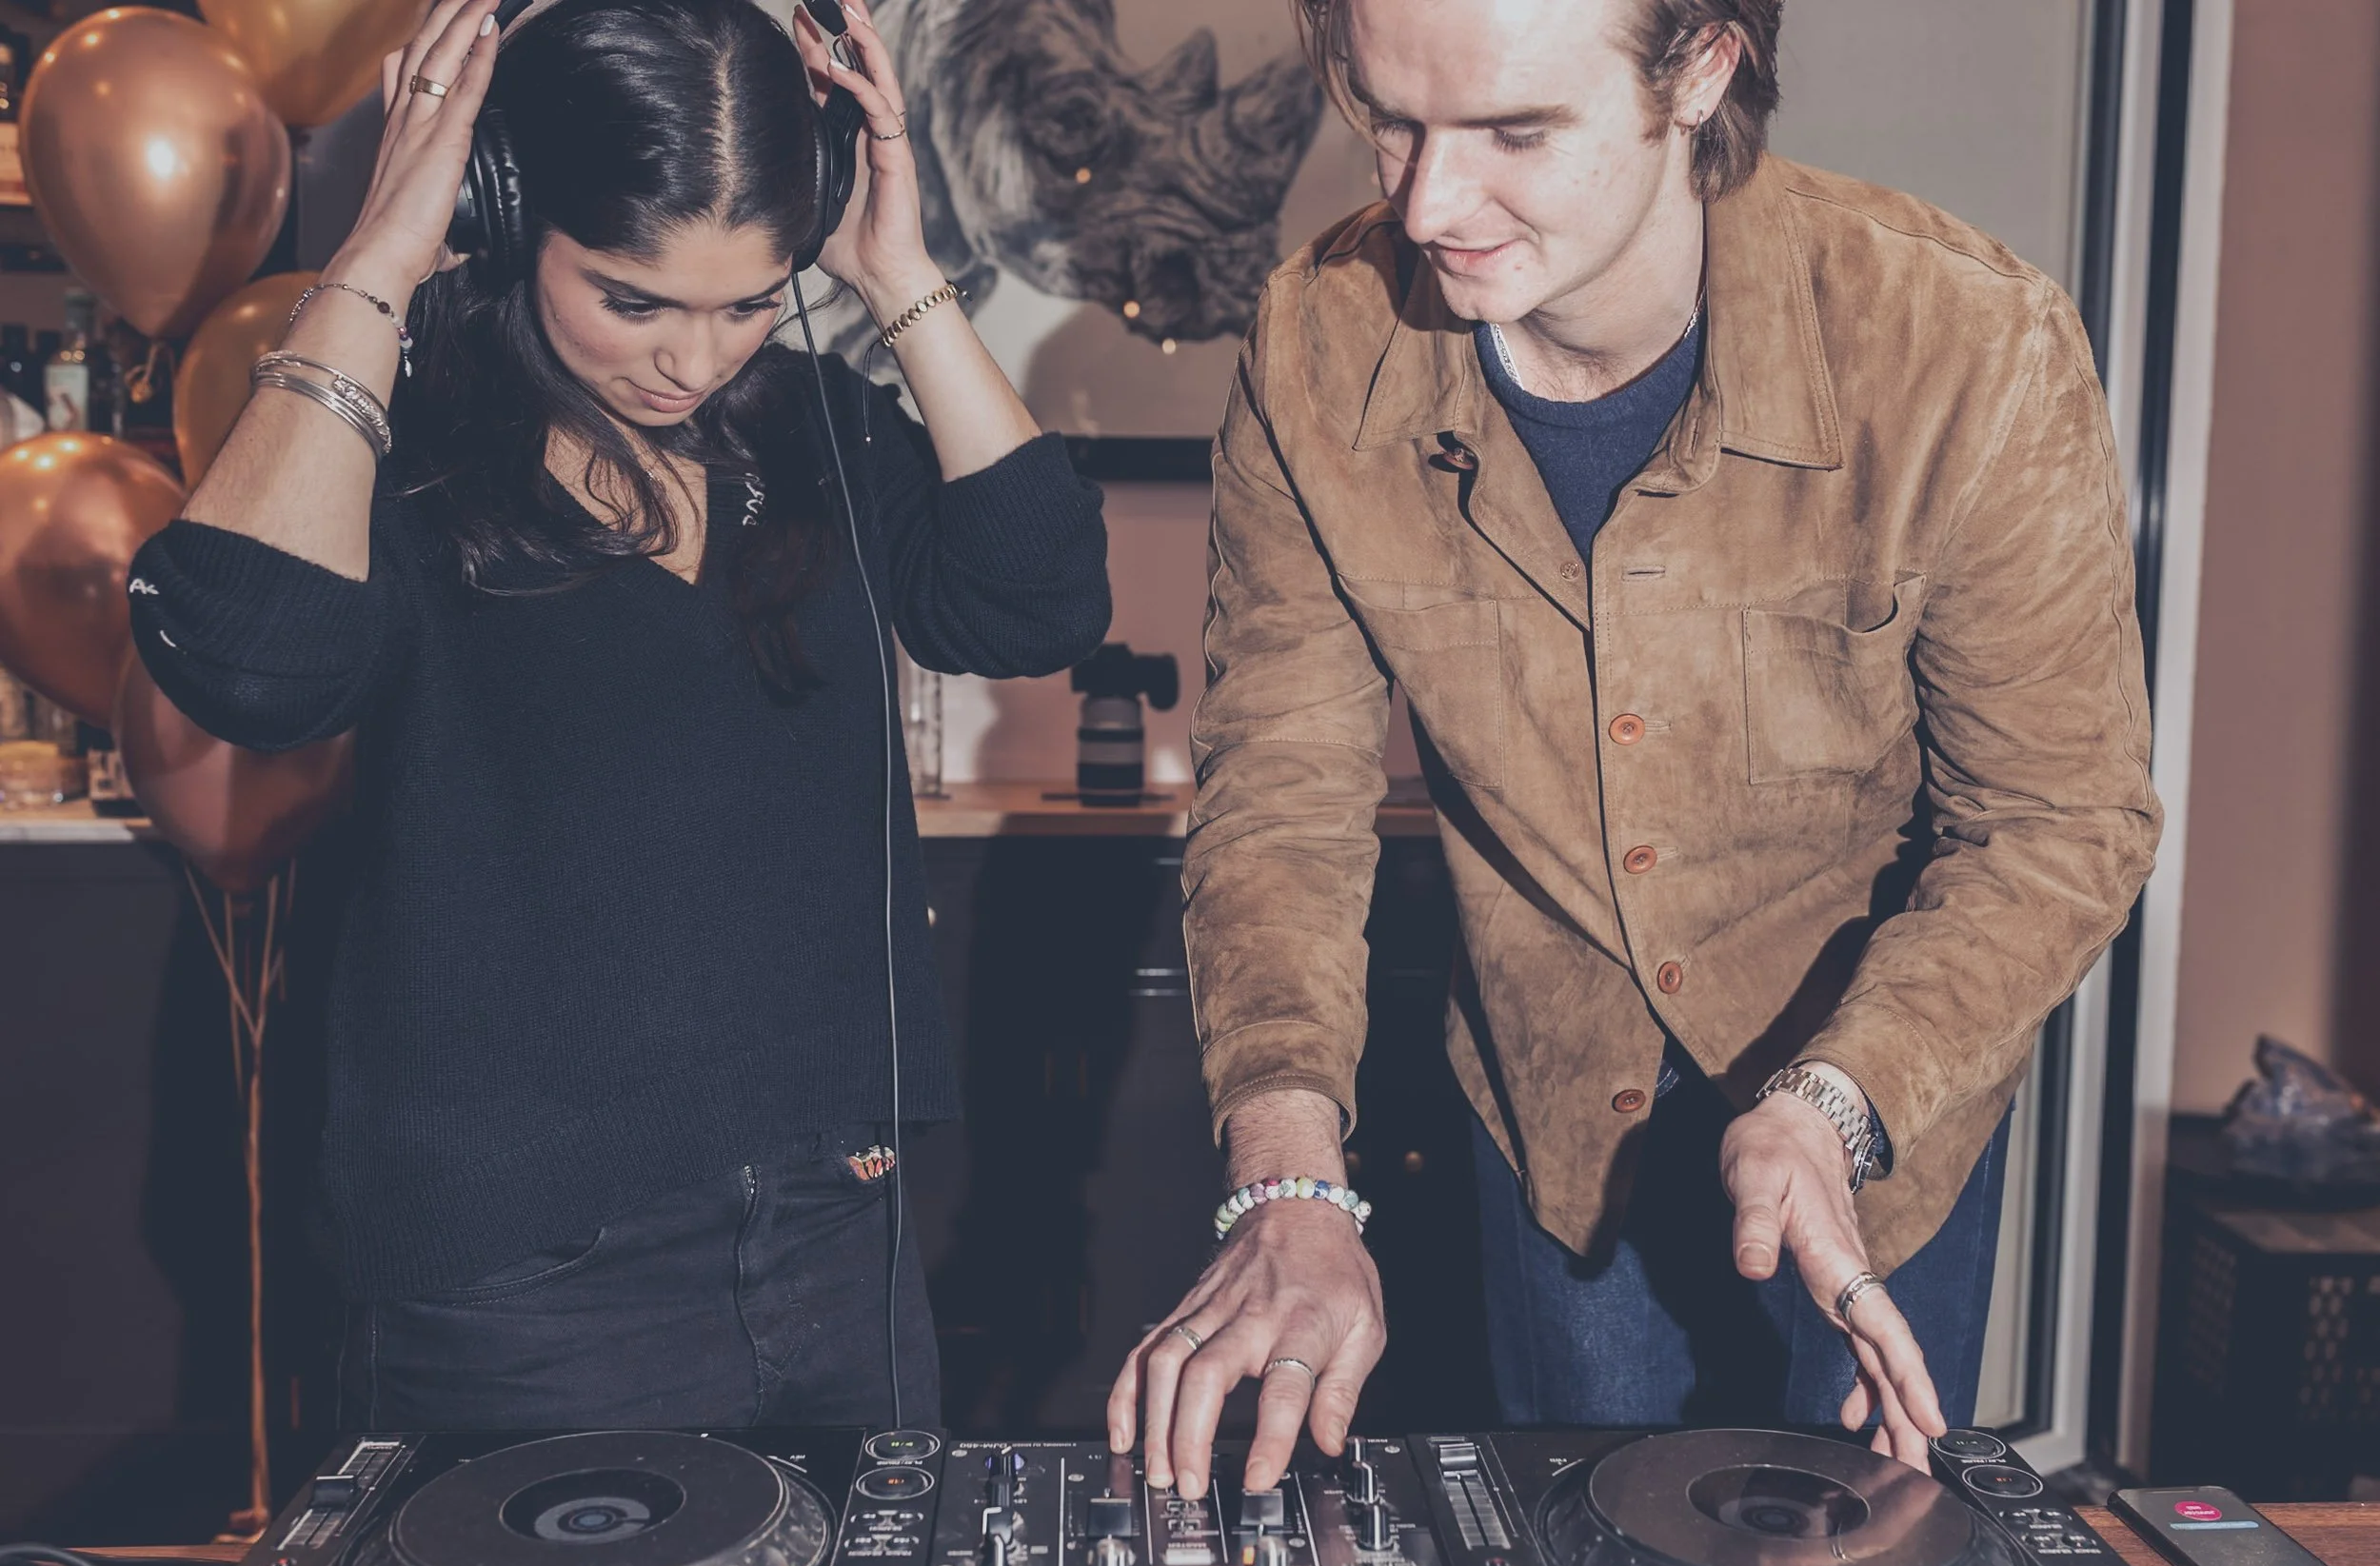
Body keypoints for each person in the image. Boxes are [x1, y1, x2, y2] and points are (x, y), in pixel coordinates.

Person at [1111, 0, 2159, 1490]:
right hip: (1552, 1121)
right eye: (1391, 121)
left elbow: (2060, 820)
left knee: (1849, 1546)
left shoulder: (1967, 350)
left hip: (1876, 1110)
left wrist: (1836, 1101)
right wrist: (1288, 1181)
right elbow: (1282, 799)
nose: (1429, 204)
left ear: (1702, 67)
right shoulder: (1313, 341)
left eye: (1514, 131)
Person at [125, 0, 1109, 1428]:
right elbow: (250, 666)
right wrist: (382, 254)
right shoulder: (403, 447)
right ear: (507, 209)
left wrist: (898, 275)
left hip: (834, 1247)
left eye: (748, 302)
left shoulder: (817, 431)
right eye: (633, 301)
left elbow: (1037, 603)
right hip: (522, 1287)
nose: (692, 362)